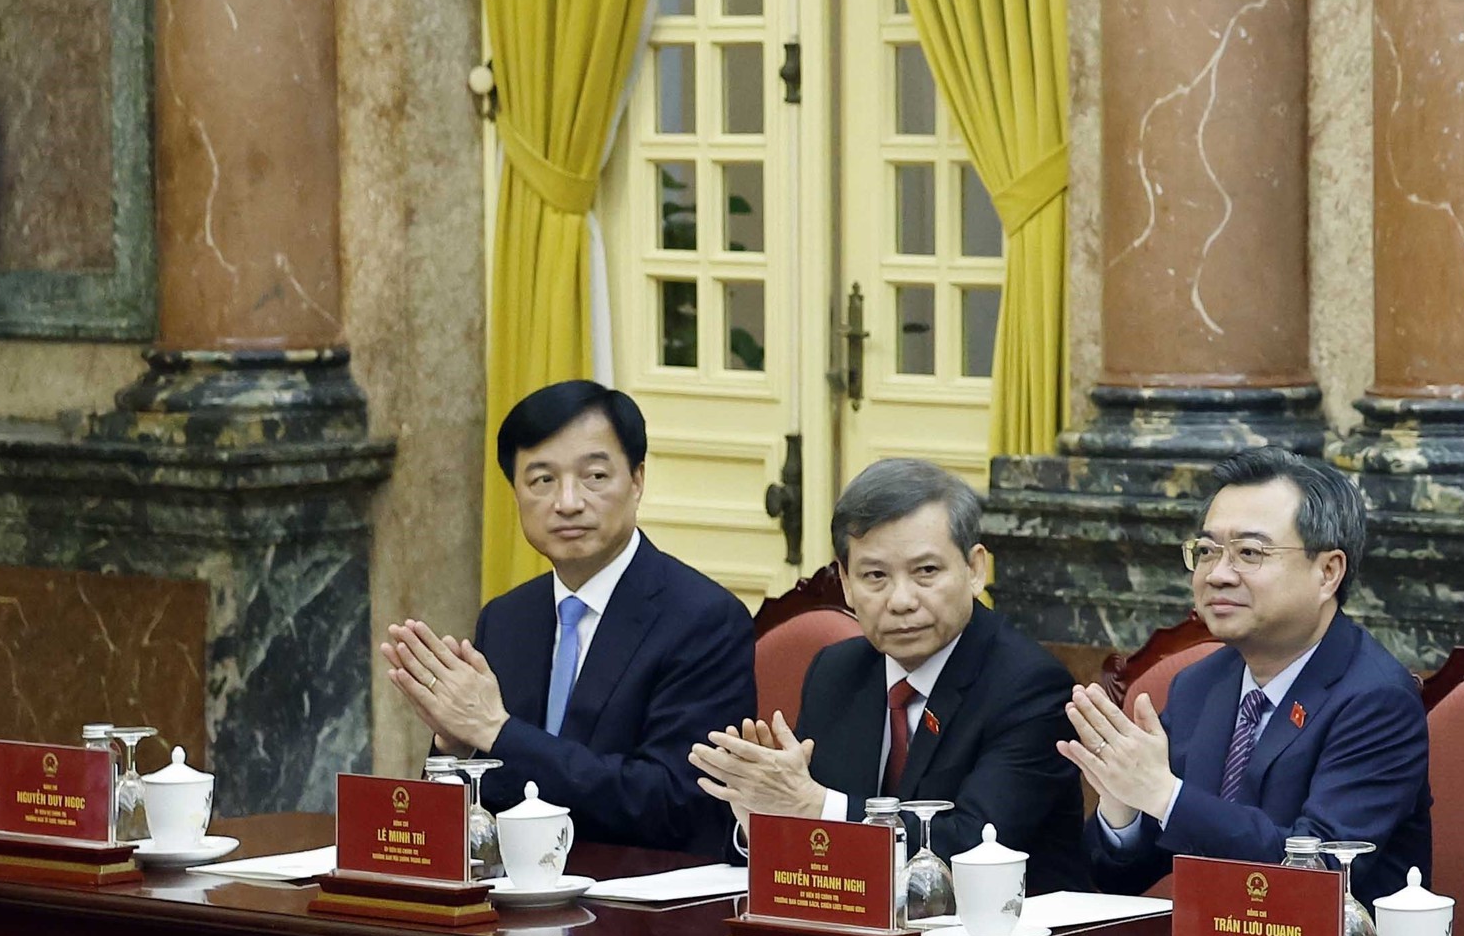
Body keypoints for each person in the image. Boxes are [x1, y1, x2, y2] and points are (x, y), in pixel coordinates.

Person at [382, 381, 756, 856]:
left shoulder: (704, 619)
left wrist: (497, 733)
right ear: (515, 493)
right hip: (510, 888)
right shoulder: (507, 619)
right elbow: (469, 815)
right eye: (542, 481)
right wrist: (455, 745)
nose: (568, 502)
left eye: (594, 476)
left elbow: (677, 802)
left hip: (637, 889)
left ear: (637, 481)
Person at [686, 458, 1089, 892]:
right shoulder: (836, 672)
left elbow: (969, 848)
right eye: (875, 576)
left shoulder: (1030, 687)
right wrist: (764, 818)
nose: (901, 601)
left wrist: (812, 806)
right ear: (845, 582)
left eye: (926, 572)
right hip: (854, 922)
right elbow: (810, 828)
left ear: (974, 570)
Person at [1062, 448, 1431, 905]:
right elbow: (1124, 878)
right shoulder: (1199, 686)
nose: (1217, 575)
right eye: (1207, 551)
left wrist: (1164, 795)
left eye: (1249, 553)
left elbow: (1318, 875)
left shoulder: (1376, 699)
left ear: (1328, 572)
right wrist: (1124, 806)